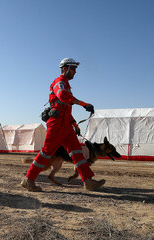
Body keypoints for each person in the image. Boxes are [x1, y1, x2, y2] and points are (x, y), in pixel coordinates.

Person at [21, 58, 105, 191]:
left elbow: (65, 108)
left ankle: (88, 181)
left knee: (77, 152)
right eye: (73, 68)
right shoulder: (59, 82)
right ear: (64, 68)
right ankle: (28, 180)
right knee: (46, 153)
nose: (75, 72)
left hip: (65, 124)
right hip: (56, 124)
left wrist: (75, 125)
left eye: (75, 69)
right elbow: (63, 96)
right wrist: (83, 104)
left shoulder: (67, 85)